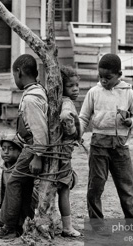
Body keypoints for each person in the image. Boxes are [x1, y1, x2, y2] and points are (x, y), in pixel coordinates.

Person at [0, 54, 48, 239]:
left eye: (13, 75)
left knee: (13, 182)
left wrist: (37, 156)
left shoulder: (30, 100)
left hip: (32, 149)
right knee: (25, 186)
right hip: (31, 147)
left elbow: (40, 131)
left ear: (19, 72)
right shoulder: (37, 90)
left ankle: (8, 227)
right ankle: (22, 223)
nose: (15, 80)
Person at [78, 53, 133, 233]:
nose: (103, 81)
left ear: (119, 74)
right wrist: (78, 133)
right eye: (100, 76)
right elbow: (83, 117)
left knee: (126, 186)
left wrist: (131, 122)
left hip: (120, 146)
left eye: (108, 77)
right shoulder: (94, 92)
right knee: (95, 186)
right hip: (98, 145)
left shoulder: (129, 93)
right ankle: (97, 225)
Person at [56, 66, 82, 237]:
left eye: (77, 85)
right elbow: (66, 116)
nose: (75, 89)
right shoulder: (66, 103)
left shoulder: (56, 100)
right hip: (63, 152)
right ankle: (67, 227)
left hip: (57, 149)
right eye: (71, 86)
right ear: (61, 87)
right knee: (64, 188)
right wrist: (72, 132)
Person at [0, 133, 23, 227]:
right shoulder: (0, 170)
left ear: (20, 151)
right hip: (9, 208)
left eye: (11, 149)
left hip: (23, 208)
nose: (6, 152)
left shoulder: (23, 171)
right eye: (3, 148)